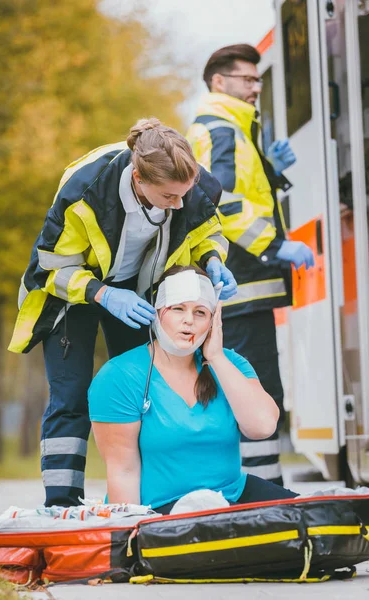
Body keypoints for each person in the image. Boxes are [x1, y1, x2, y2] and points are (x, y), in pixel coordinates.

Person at [8, 118, 237, 507]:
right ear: (138, 179)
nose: (179, 204)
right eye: (169, 197)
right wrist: (102, 294)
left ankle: (146, 498)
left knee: (147, 388)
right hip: (73, 292)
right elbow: (49, 268)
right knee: (70, 395)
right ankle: (62, 505)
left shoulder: (188, 184)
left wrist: (214, 259)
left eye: (184, 194)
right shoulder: (84, 192)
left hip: (139, 292)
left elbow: (206, 232)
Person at [186, 44, 315, 486]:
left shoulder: (227, 128)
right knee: (255, 393)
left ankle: (256, 490)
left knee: (244, 389)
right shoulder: (225, 130)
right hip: (242, 283)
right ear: (220, 82)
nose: (256, 88)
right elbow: (229, 204)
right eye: (248, 79)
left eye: (258, 80)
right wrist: (278, 245)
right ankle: (263, 497)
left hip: (238, 284)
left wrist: (271, 171)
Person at [89, 265, 298, 513]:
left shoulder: (230, 364)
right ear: (156, 312)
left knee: (316, 520)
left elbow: (263, 426)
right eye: (178, 308)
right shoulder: (119, 376)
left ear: (213, 320)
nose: (189, 320)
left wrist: (217, 358)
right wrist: (131, 538)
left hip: (230, 494)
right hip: (159, 507)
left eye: (200, 312)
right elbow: (123, 473)